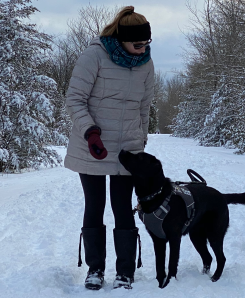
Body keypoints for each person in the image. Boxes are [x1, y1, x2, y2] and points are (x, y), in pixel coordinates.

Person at [64, 6, 154, 290]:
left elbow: (143, 107)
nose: (142, 50)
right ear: (122, 39)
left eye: (146, 44)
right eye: (137, 44)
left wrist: (141, 138)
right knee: (95, 204)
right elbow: (75, 99)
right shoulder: (94, 56)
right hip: (93, 144)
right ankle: (95, 269)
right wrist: (90, 131)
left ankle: (125, 271)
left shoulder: (146, 64)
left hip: (126, 149)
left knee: (122, 208)